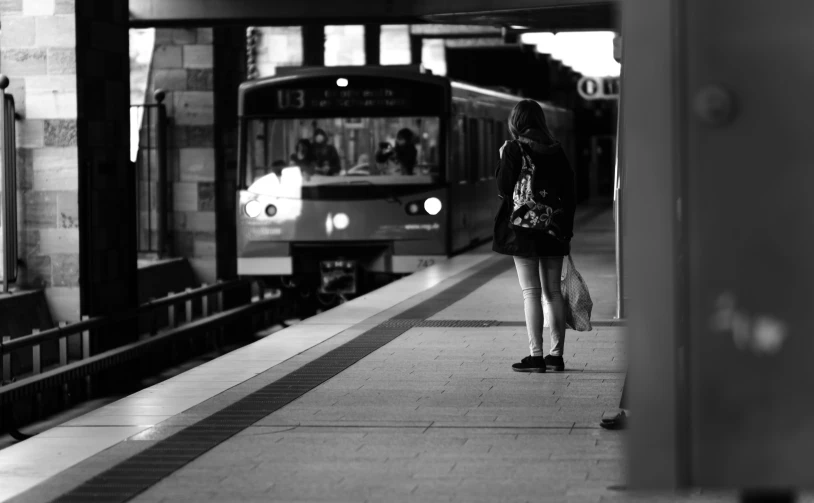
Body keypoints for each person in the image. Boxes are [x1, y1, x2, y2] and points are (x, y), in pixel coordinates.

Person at [493, 99, 576, 373]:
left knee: (531, 292)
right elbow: (570, 192)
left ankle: (536, 356)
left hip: (523, 228)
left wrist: (503, 156)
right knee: (553, 292)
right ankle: (556, 356)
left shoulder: (514, 148)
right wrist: (566, 229)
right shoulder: (557, 150)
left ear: (516, 122)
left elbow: (504, 188)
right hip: (553, 227)